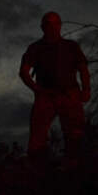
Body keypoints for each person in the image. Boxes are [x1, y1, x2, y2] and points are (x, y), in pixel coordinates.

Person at [19, 11, 91, 169]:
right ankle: (38, 171)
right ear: (42, 27)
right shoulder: (35, 48)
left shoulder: (71, 46)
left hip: (70, 94)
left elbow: (83, 69)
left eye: (55, 23)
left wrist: (86, 90)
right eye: (48, 24)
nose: (52, 27)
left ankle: (74, 169)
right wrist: (37, 90)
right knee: (37, 137)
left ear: (60, 25)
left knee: (75, 135)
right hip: (46, 96)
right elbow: (23, 72)